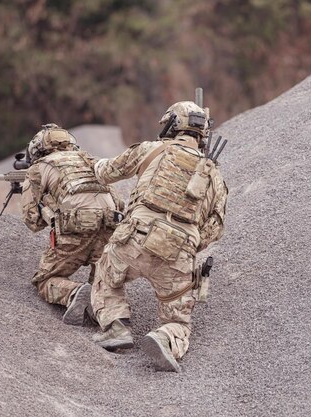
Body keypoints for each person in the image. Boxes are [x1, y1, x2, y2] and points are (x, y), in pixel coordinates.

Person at [90, 101, 228, 372]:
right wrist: (188, 244)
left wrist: (90, 165)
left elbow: (106, 172)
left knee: (105, 276)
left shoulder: (150, 150)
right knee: (179, 320)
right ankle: (166, 337)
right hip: (178, 253)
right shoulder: (215, 175)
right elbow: (215, 226)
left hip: (134, 241)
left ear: (171, 125)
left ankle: (117, 326)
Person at [21, 124, 124, 325]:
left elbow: (31, 220)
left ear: (38, 149)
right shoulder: (90, 160)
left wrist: (48, 209)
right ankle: (105, 309)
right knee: (104, 281)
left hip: (75, 230)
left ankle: (74, 292)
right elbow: (118, 202)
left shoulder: (38, 167)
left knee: (44, 280)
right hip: (110, 227)